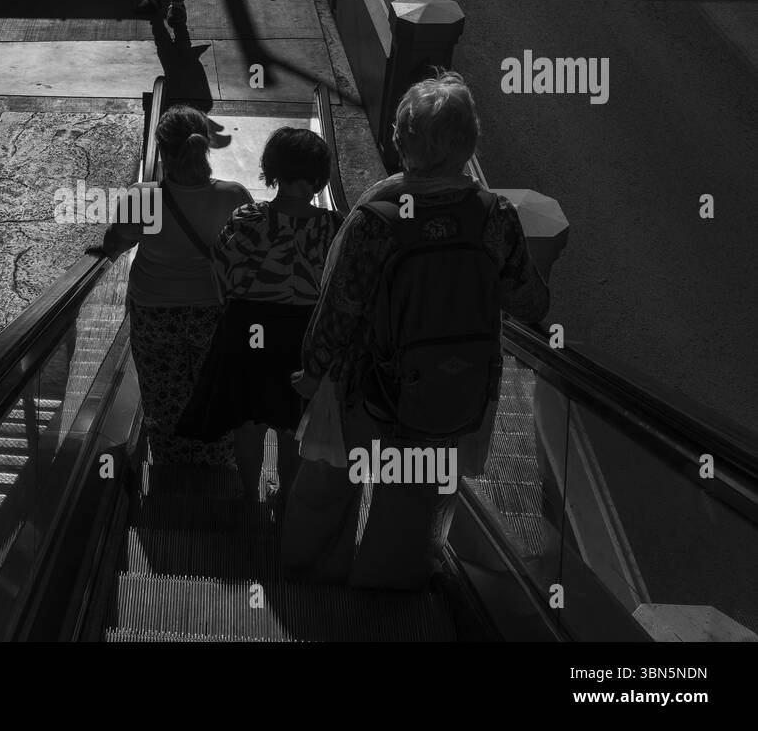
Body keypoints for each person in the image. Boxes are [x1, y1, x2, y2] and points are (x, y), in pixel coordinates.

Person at [289, 71, 551, 591]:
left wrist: (312, 371)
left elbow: (337, 309)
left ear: (402, 141)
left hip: (367, 390)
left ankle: (311, 580)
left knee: (329, 481)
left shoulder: (377, 216)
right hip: (450, 394)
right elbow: (529, 301)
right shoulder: (494, 216)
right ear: (468, 143)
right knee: (411, 499)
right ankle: (381, 594)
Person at [182, 128, 342, 507]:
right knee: (291, 423)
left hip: (247, 331)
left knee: (248, 420)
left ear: (272, 170)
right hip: (303, 335)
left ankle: (247, 494)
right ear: (319, 176)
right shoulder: (333, 226)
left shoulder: (248, 218)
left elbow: (223, 272)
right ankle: (285, 499)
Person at [97, 105, 253, 466]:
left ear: (163, 153)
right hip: (213, 314)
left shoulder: (145, 197)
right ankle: (217, 461)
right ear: (205, 146)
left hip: (154, 312)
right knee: (211, 390)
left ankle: (170, 462)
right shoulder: (233, 196)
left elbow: (116, 244)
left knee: (164, 394)